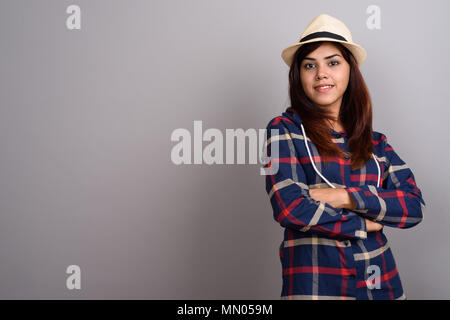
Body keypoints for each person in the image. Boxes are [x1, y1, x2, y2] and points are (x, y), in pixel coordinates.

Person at [263, 14, 426, 300]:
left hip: (381, 285)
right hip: (315, 285)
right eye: (309, 65)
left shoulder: (376, 143)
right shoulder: (285, 131)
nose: (321, 73)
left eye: (333, 62)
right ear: (298, 75)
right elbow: (290, 208)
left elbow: (413, 206)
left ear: (350, 70)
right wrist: (364, 223)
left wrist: (343, 197)